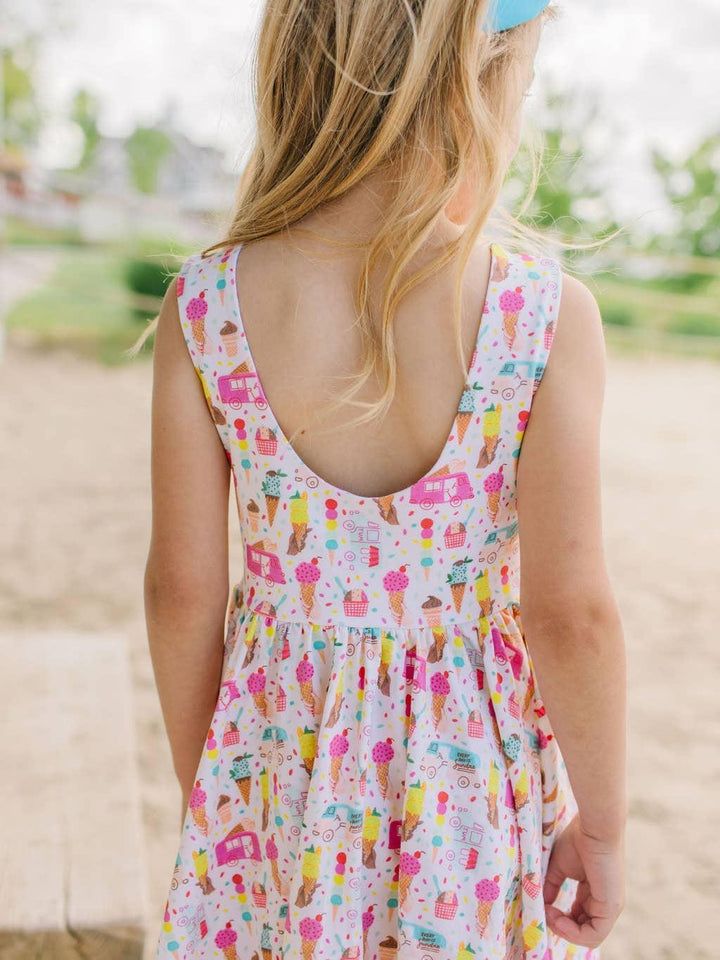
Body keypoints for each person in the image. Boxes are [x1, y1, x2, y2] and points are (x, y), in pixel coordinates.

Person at [143, 1, 628, 957]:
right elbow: (571, 614)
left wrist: (219, 794)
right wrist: (603, 827)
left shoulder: (205, 306)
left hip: (280, 763)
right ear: (473, 87)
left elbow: (181, 592)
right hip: (468, 791)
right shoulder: (540, 315)